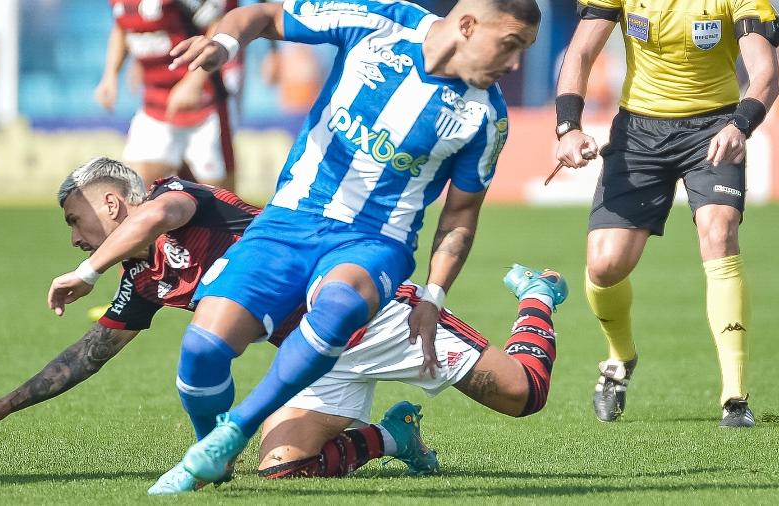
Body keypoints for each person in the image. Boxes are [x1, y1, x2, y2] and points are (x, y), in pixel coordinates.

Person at [0, 159, 566, 488]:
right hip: (309, 357)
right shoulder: (145, 281)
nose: (74, 238)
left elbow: (157, 216)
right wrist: (8, 404)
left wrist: (89, 270)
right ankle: (396, 439)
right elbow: (93, 352)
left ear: (112, 204)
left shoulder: (175, 200)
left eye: (75, 220)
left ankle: (537, 295)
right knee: (284, 470)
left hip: (370, 315)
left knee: (524, 394)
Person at [129, 0, 540, 491]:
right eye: (511, 45)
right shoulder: (381, 22)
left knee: (342, 303)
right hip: (288, 222)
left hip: (375, 242)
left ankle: (232, 432)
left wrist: (433, 296)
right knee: (203, 348)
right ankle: (211, 452)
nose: (514, 64)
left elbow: (460, 215)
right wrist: (224, 42)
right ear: (468, 26)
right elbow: (264, 14)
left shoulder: (484, 118)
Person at [554, 0, 779, 427]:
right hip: (639, 132)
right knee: (604, 267)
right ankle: (619, 360)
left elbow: (766, 73)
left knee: (720, 231)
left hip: (715, 127)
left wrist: (740, 125)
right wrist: (568, 127)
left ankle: (735, 396)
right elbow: (581, 51)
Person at [94, 0, 240, 188]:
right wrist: (110, 75)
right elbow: (121, 27)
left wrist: (193, 82)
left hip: (202, 106)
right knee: (136, 186)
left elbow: (218, 25)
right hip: (154, 104)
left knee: (219, 198)